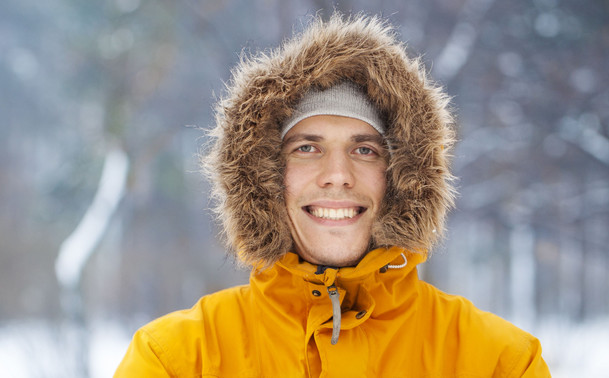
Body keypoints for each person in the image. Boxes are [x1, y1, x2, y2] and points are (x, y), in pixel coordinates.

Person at [115, 13, 551, 377]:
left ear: (402, 176)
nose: (338, 175)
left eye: (365, 150)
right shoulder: (175, 360)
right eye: (307, 148)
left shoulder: (499, 362)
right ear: (264, 176)